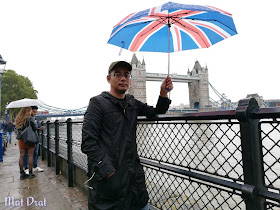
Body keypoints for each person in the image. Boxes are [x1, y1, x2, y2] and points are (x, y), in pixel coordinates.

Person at [81, 61, 173, 210]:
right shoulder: (97, 103)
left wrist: (163, 93)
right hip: (110, 183)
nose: (123, 78)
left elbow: (156, 112)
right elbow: (88, 142)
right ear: (108, 78)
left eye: (126, 75)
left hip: (134, 181)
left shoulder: (132, 103)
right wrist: (109, 172)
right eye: (117, 74)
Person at [15, 107, 37, 179]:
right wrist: (35, 123)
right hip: (30, 139)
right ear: (28, 111)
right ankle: (30, 173)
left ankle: (22, 173)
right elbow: (35, 128)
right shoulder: (30, 118)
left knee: (22, 156)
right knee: (30, 156)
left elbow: (17, 129)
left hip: (21, 139)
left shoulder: (18, 119)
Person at [24, 106, 44, 174]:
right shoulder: (26, 119)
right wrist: (38, 128)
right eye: (34, 111)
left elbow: (37, 127)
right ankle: (26, 168)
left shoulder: (35, 118)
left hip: (35, 138)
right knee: (27, 154)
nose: (35, 113)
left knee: (35, 153)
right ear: (30, 111)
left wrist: (39, 128)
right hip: (29, 138)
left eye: (36, 112)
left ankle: (35, 166)